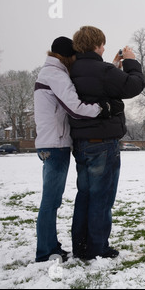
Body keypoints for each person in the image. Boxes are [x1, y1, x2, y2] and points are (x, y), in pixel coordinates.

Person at [69, 26, 145, 260]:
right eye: (102, 44)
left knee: (85, 196)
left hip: (81, 142)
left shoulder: (72, 70)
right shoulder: (101, 70)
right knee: (102, 198)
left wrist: (112, 67)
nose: (104, 48)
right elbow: (134, 85)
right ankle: (97, 248)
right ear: (95, 45)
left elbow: (98, 86)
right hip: (102, 143)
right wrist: (131, 62)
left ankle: (81, 246)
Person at [34, 36, 110, 263]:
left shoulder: (49, 72)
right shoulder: (56, 76)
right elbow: (75, 108)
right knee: (51, 200)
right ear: (68, 56)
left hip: (50, 142)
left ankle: (49, 246)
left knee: (51, 200)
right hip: (55, 145)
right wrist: (101, 109)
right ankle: (46, 251)